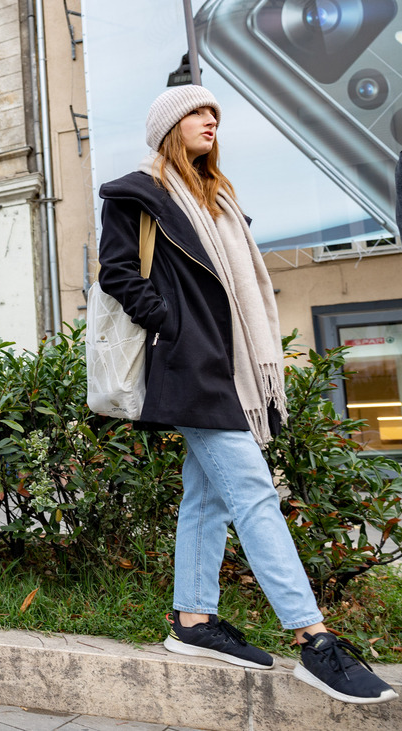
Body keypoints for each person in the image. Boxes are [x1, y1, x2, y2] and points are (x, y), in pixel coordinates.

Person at [97, 85, 397, 705]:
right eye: (199, 114)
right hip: (188, 365)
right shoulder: (137, 195)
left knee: (207, 497)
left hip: (228, 367)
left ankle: (193, 621)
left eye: (215, 115)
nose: (211, 122)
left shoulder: (220, 198)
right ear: (170, 127)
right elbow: (117, 271)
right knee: (255, 492)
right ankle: (313, 640)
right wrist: (169, 322)